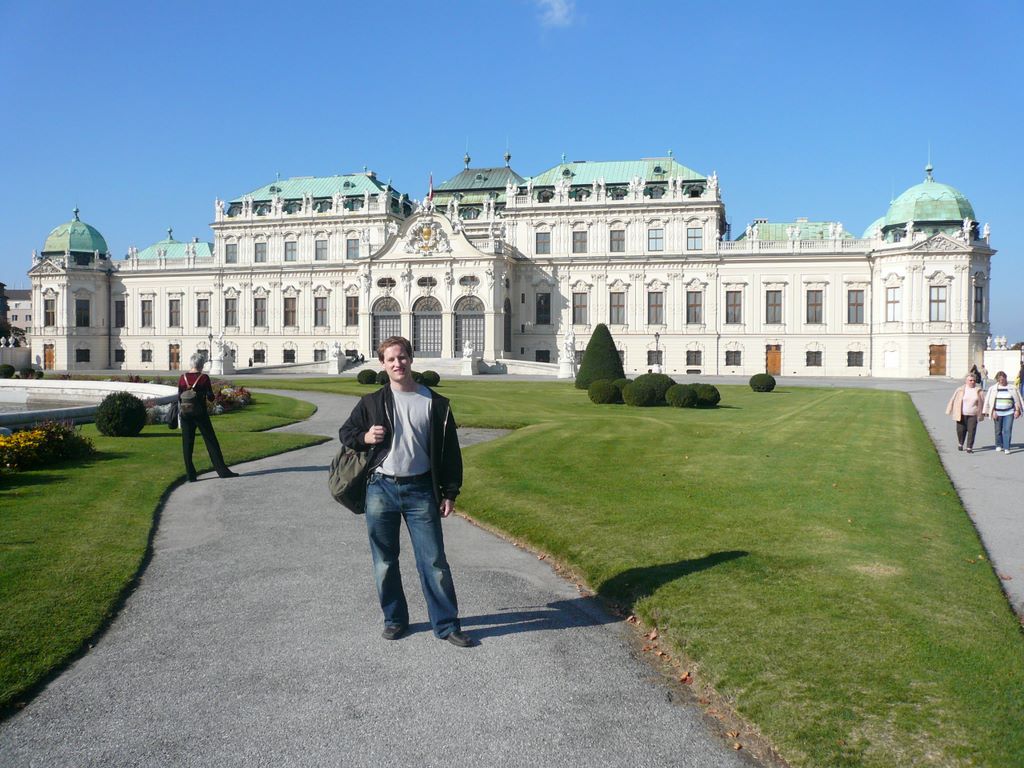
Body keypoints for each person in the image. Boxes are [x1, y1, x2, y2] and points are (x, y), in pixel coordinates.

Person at [338, 336, 471, 647]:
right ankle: (395, 619)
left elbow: (451, 453)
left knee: (434, 561)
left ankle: (446, 624)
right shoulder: (372, 402)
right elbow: (346, 433)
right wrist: (366, 438)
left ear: (411, 359)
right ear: (382, 365)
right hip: (381, 488)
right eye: (391, 359)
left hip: (420, 489)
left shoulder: (435, 403)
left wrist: (450, 492)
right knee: (384, 561)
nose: (397, 364)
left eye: (402, 357)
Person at [178, 352, 239, 481]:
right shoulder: (204, 378)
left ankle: (190, 475)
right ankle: (222, 471)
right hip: (200, 414)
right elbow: (210, 397)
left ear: (191, 363)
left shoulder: (182, 378)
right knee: (211, 442)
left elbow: (179, 396)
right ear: (201, 365)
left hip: (185, 414)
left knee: (187, 444)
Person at [982, 370, 1023, 454]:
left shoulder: (1012, 388)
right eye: (999, 379)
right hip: (997, 412)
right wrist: (992, 411)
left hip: (1009, 412)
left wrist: (1017, 410)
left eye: (1003, 379)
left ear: (1005, 378)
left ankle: (1006, 447)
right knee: (998, 430)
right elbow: (989, 401)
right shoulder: (993, 389)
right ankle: (998, 444)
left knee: (1007, 430)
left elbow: (1017, 400)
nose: (1001, 381)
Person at [945, 373, 984, 453]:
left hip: (973, 414)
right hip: (961, 414)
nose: (972, 382)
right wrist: (949, 410)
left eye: (974, 380)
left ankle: (969, 447)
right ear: (966, 381)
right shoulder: (960, 389)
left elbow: (983, 402)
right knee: (960, 431)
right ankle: (960, 443)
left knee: (972, 431)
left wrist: (984, 412)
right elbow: (952, 399)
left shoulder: (978, 390)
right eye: (970, 380)